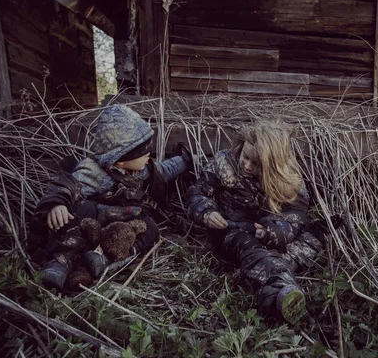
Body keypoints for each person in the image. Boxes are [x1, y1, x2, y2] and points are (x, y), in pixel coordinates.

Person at [32, 104, 192, 290]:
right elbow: (66, 185)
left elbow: (165, 170)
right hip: (92, 226)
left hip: (119, 229)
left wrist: (184, 160)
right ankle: (61, 261)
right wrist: (58, 204)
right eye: (143, 153)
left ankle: (107, 260)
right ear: (121, 159)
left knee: (150, 228)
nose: (149, 157)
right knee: (82, 209)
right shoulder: (92, 172)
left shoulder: (139, 170)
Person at [187, 119, 327, 323]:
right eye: (245, 157)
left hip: (268, 234)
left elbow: (295, 217)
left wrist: (271, 232)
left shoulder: (288, 179)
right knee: (249, 247)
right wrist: (206, 212)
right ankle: (278, 291)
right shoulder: (224, 163)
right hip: (230, 230)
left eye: (257, 164)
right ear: (242, 145)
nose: (247, 165)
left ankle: (282, 282)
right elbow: (198, 191)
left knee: (304, 241)